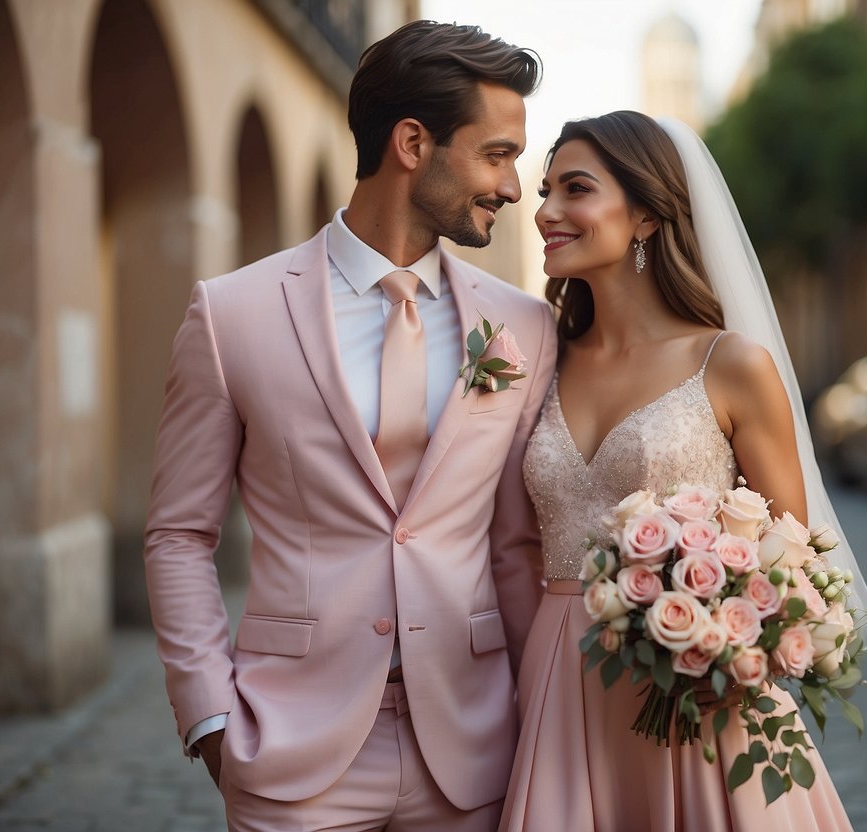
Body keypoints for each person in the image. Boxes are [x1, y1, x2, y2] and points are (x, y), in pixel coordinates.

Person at [142, 20, 557, 832]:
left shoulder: (523, 328)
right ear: (412, 143)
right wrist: (211, 720)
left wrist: (536, 713)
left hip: (471, 750)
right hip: (291, 746)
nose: (513, 188)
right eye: (498, 155)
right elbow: (178, 534)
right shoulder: (232, 315)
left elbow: (514, 545)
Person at [500, 111, 867, 830]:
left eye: (574, 190)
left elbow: (794, 561)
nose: (545, 212)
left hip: (698, 693)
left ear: (643, 215)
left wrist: (722, 635)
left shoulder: (730, 364)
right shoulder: (535, 362)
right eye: (544, 191)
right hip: (554, 679)